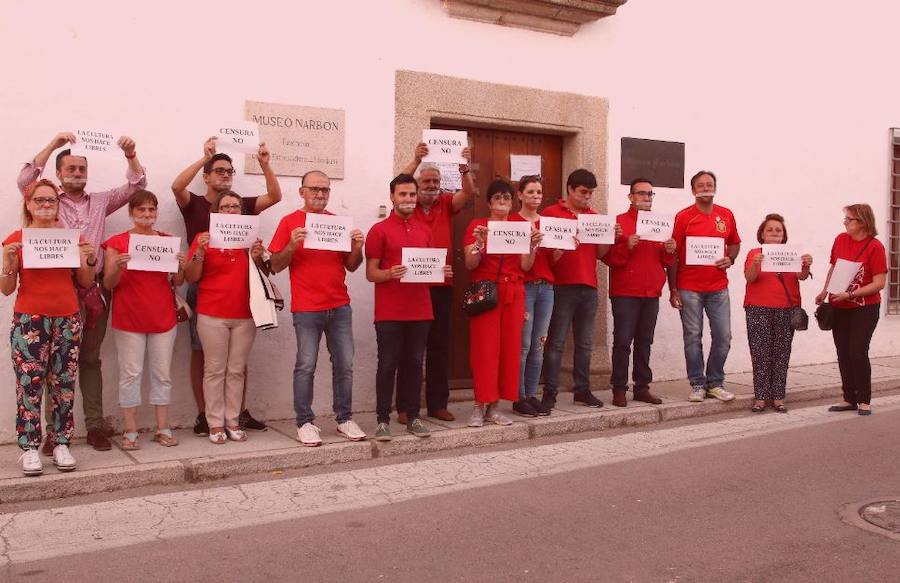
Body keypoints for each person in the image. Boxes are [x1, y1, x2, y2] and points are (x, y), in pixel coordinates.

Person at [17, 132, 147, 453]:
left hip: (93, 289)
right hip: (56, 289)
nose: (77, 174)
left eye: (81, 169)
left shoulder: (101, 201)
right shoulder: (46, 200)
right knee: (50, 365)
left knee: (89, 359)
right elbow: (25, 180)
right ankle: (52, 434)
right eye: (71, 169)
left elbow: (136, 186)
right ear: (59, 173)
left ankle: (94, 426)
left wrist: (131, 155)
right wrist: (52, 145)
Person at [171, 138, 282, 435]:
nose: (224, 174)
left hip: (240, 297)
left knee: (235, 364)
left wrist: (264, 163)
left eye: (229, 170)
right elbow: (176, 187)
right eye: (218, 170)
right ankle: (205, 416)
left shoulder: (243, 208)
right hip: (203, 290)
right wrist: (202, 157)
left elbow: (274, 195)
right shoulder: (195, 203)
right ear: (207, 176)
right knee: (204, 357)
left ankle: (235, 416)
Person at [3, 179, 97, 475]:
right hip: (30, 319)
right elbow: (6, 289)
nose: (46, 205)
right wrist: (8, 262)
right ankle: (29, 448)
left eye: (51, 201)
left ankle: (61, 443)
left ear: (58, 206)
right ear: (28, 205)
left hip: (67, 317)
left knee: (63, 384)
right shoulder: (16, 238)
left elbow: (84, 281)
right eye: (40, 200)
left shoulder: (71, 237)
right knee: (29, 386)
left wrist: (88, 258)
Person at [269, 170, 367, 446]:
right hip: (307, 308)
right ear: (302, 192)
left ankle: (344, 419)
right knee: (306, 365)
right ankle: (304, 422)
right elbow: (275, 265)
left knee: (345, 365)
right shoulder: (289, 222)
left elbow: (351, 265)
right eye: (314, 189)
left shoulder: (338, 224)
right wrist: (291, 244)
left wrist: (358, 246)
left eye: (325, 189)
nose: (320, 194)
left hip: (339, 306)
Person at [365, 174, 452, 441]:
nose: (408, 199)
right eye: (403, 195)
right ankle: (382, 420)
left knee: (416, 364)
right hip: (390, 310)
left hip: (420, 309)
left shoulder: (425, 231)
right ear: (392, 197)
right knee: (388, 364)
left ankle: (414, 417)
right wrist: (390, 273)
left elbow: (428, 269)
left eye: (412, 195)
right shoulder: (378, 230)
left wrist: (442, 271)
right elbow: (371, 273)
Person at [102, 190, 186, 448]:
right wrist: (117, 267)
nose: (147, 214)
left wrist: (181, 265)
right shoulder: (116, 242)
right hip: (129, 316)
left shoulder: (168, 240)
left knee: (162, 374)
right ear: (131, 213)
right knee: (130, 373)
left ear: (156, 213)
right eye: (141, 210)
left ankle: (163, 427)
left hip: (162, 316)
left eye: (151, 210)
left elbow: (178, 281)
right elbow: (108, 283)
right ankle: (130, 431)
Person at [184, 191, 267, 444]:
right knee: (214, 369)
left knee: (236, 370)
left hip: (244, 314)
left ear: (242, 212)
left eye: (235, 206)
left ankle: (232, 420)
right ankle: (215, 423)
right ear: (216, 212)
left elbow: (265, 273)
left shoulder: (250, 239)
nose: (231, 210)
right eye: (226, 206)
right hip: (211, 313)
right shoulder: (203, 238)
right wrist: (199, 250)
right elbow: (191, 276)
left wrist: (258, 256)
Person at [399, 142, 474, 423]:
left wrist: (465, 169)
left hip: (441, 287)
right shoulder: (409, 202)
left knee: (440, 347)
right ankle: (406, 407)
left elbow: (468, 193)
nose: (431, 185)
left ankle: (437, 404)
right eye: (426, 181)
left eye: (435, 181)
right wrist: (415, 160)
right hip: (413, 287)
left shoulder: (445, 202)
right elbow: (398, 183)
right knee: (411, 349)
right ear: (418, 185)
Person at [464, 179, 541, 425]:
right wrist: (478, 242)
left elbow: (526, 267)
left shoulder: (521, 227)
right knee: (484, 350)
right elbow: (470, 264)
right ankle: (479, 404)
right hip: (486, 292)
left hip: (513, 292)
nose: (502, 202)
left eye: (506, 198)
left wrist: (533, 247)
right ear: (489, 202)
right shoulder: (478, 225)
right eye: (497, 198)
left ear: (512, 202)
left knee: (508, 350)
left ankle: (495, 406)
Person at [540, 169, 619, 410]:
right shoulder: (551, 214)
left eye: (591, 193)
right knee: (556, 343)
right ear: (571, 190)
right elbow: (544, 256)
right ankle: (549, 393)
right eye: (583, 192)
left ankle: (582, 390)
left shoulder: (594, 217)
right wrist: (559, 250)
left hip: (589, 286)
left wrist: (608, 237)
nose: (587, 197)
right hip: (562, 286)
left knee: (585, 344)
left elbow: (601, 254)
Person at [602, 178, 676, 407]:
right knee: (623, 341)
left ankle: (642, 387)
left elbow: (665, 260)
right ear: (631, 197)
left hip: (651, 290)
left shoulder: (660, 225)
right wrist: (626, 245)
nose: (646, 198)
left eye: (650, 194)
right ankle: (619, 388)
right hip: (625, 291)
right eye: (641, 193)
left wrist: (670, 251)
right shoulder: (619, 223)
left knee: (645, 341)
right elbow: (607, 258)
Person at [669, 170, 741, 403]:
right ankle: (698, 384)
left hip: (718, 287)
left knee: (724, 336)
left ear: (715, 187)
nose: (705, 187)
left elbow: (734, 244)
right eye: (700, 185)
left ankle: (715, 382)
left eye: (709, 184)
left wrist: (730, 258)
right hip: (689, 287)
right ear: (693, 190)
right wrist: (673, 289)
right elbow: (674, 255)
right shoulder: (683, 217)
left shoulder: (726, 215)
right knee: (692, 336)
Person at [816, 204, 887, 416]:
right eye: (845, 219)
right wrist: (824, 291)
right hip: (839, 305)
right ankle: (849, 398)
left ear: (863, 222)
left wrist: (852, 294)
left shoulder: (875, 247)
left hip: (865, 307)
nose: (845, 222)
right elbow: (834, 267)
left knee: (857, 351)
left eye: (849, 219)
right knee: (843, 352)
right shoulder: (840, 239)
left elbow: (880, 283)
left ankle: (864, 399)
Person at [744, 214, 812, 413]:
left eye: (778, 230)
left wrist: (806, 264)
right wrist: (756, 264)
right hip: (758, 307)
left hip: (786, 308)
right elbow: (750, 278)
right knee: (760, 353)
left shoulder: (791, 254)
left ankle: (778, 396)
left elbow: (802, 276)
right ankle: (761, 397)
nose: (774, 233)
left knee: (782, 353)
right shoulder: (754, 253)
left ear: (784, 235)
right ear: (762, 234)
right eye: (770, 230)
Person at [510, 175, 555, 417]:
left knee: (539, 344)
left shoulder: (548, 223)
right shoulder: (513, 222)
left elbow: (552, 261)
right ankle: (518, 397)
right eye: (530, 192)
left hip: (546, 288)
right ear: (520, 194)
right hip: (524, 287)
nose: (535, 196)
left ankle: (531, 394)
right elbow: (520, 264)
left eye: (539, 192)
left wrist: (562, 247)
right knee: (523, 345)